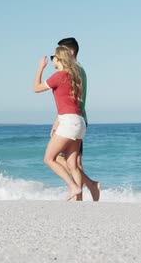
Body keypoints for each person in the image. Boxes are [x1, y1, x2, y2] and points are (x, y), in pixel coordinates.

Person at [33, 46, 86, 200]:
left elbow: (36, 88)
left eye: (53, 57)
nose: (52, 60)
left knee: (49, 159)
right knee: (73, 165)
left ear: (59, 59)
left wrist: (40, 68)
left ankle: (73, 187)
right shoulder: (74, 76)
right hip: (79, 122)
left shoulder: (59, 75)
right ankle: (79, 200)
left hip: (69, 122)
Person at [52, 37, 100, 201]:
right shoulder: (80, 70)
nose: (57, 57)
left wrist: (58, 121)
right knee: (75, 162)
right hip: (79, 118)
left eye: (60, 52)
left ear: (70, 52)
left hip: (73, 119)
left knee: (60, 158)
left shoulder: (73, 71)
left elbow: (71, 100)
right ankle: (80, 196)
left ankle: (88, 186)